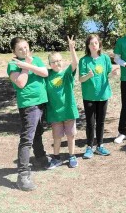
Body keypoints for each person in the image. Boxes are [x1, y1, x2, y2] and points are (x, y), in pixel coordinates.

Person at [7, 37, 50, 191]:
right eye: (20, 49)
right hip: (28, 104)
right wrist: (26, 67)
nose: (24, 50)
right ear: (14, 51)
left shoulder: (36, 59)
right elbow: (20, 83)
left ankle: (41, 158)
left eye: (26, 47)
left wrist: (27, 64)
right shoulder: (13, 64)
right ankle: (23, 175)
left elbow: (44, 73)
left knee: (38, 132)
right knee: (27, 138)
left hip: (41, 101)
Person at [79, 34, 119, 158]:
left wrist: (114, 73)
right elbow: (81, 79)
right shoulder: (84, 60)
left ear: (99, 44)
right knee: (90, 123)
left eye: (96, 43)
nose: (94, 45)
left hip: (103, 95)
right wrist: (88, 76)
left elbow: (108, 74)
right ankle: (89, 147)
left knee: (100, 122)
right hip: (89, 96)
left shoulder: (105, 58)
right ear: (88, 46)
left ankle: (100, 146)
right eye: (91, 43)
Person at [45, 36, 80, 169]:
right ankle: (56, 158)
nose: (57, 63)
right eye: (53, 62)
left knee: (71, 135)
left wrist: (72, 48)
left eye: (59, 60)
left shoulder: (66, 74)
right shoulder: (47, 75)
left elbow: (75, 63)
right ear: (49, 64)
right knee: (57, 137)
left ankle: (72, 156)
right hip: (55, 112)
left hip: (69, 110)